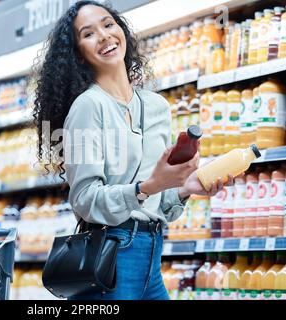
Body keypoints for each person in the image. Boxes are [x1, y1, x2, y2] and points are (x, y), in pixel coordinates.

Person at [32, 0, 232, 300]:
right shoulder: (88, 107)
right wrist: (148, 186)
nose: (103, 36)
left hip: (151, 256)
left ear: (121, 30)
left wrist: (182, 189)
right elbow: (85, 199)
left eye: (108, 24)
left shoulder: (156, 107)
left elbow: (155, 202)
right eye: (88, 34)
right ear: (78, 55)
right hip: (111, 256)